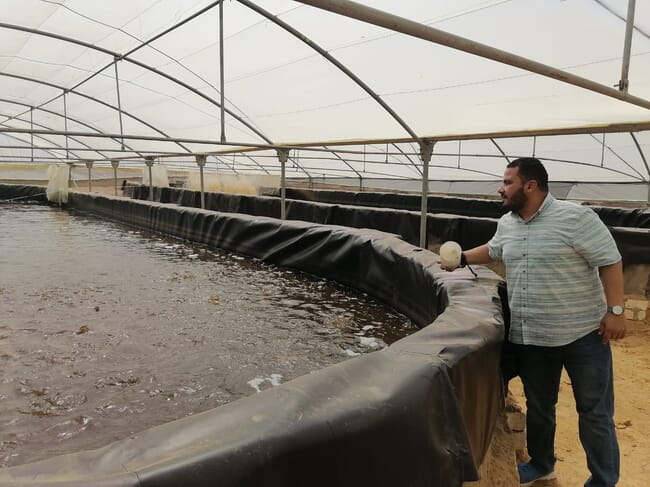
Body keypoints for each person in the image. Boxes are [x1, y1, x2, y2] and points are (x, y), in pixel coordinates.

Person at [443, 157, 626, 487]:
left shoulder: (576, 217)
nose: (501, 188)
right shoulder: (508, 223)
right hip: (533, 337)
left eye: (508, 182)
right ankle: (542, 464)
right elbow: (495, 250)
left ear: (530, 186)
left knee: (595, 412)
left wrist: (615, 312)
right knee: (540, 408)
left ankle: (603, 479)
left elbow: (610, 261)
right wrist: (462, 259)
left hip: (583, 335)